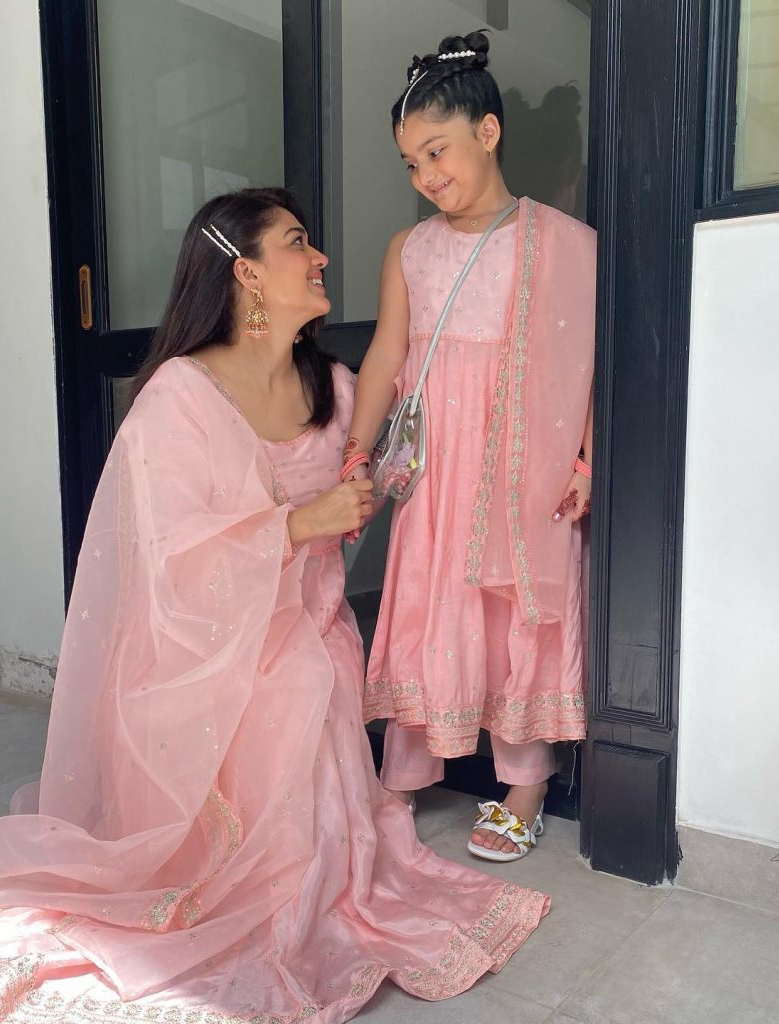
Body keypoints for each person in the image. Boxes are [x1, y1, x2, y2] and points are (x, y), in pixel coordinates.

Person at [0, 187, 549, 1023]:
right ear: (247, 277)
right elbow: (168, 556)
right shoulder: (180, 397)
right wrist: (303, 522)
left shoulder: (335, 389)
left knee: (313, 672)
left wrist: (376, 490)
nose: (322, 257)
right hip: (202, 653)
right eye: (298, 242)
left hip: (309, 638)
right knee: (285, 699)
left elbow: (388, 460)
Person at [344, 32, 596, 863]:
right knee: (428, 597)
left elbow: (593, 361)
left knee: (510, 609)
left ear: (488, 132)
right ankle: (405, 770)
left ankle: (525, 780)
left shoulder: (563, 242)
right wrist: (358, 452)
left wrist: (587, 457)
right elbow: (387, 354)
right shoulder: (409, 248)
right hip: (434, 466)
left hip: (522, 460)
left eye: (437, 151)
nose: (426, 177)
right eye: (411, 162)